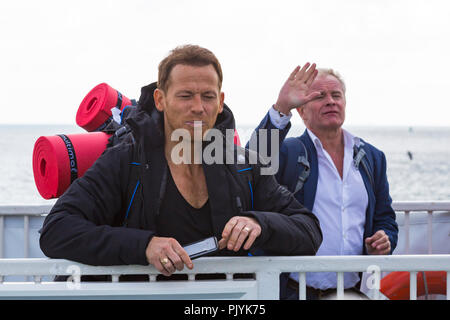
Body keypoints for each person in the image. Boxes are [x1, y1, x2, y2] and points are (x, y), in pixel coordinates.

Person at [39, 45, 322, 280]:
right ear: (160, 100)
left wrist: (259, 223)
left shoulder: (246, 166)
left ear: (220, 101)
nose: (198, 106)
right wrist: (144, 245)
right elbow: (56, 230)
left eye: (208, 96)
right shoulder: (126, 162)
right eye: (185, 95)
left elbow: (309, 230)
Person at [250, 63, 399, 299]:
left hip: (351, 291)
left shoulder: (372, 157)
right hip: (295, 291)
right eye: (319, 96)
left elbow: (385, 217)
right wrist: (281, 108)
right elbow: (252, 164)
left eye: (336, 95)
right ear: (301, 111)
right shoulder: (288, 153)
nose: (330, 101)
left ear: (345, 103)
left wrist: (384, 238)